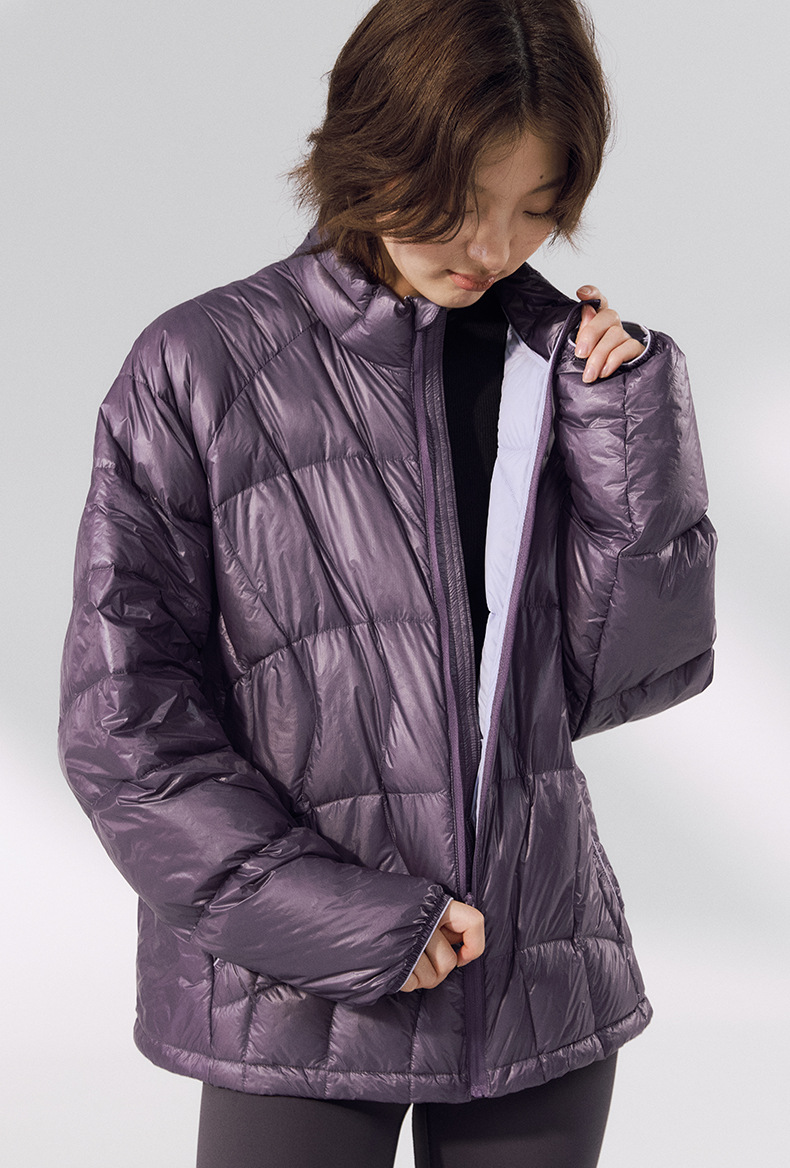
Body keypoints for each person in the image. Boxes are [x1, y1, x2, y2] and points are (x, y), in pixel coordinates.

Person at [57, 1, 716, 1165]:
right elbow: (123, 728)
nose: (493, 247)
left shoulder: (554, 368)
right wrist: (342, 922)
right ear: (376, 146)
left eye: (535, 209)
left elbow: (621, 679)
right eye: (461, 200)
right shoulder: (196, 368)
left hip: (532, 972)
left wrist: (625, 430)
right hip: (296, 988)